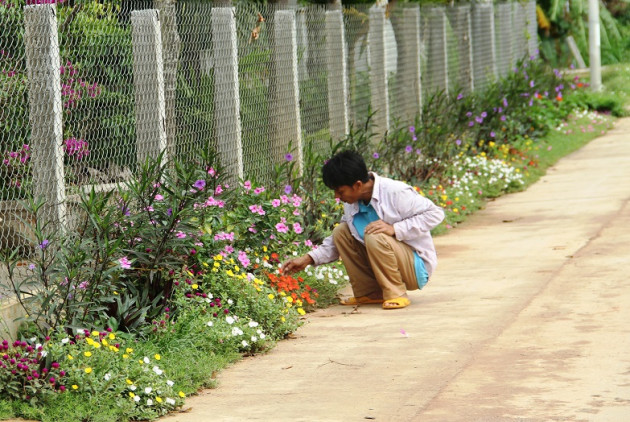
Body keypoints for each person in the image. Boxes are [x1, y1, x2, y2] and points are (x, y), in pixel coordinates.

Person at [281, 150, 445, 310]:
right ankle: (370, 293)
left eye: (340, 191)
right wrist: (309, 258)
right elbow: (336, 242)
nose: (337, 196)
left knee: (375, 233)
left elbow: (435, 214)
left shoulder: (396, 192)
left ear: (357, 185)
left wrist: (394, 228)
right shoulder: (351, 203)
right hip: (385, 260)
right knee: (342, 232)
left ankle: (396, 293)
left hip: (415, 267)